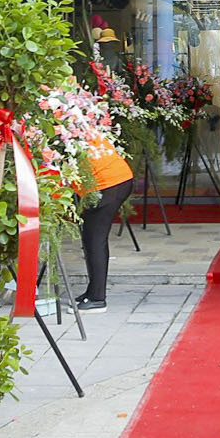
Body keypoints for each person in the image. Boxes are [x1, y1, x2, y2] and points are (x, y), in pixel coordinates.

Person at [75, 134, 135, 314]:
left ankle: (97, 299)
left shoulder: (57, 134)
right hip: (115, 178)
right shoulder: (74, 125)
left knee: (95, 239)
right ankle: (92, 291)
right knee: (91, 237)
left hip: (107, 184)